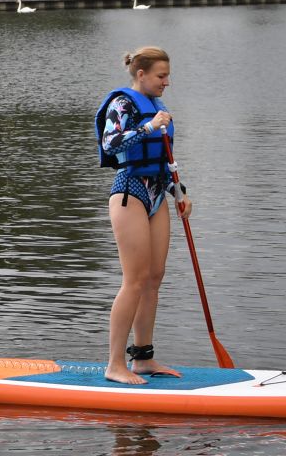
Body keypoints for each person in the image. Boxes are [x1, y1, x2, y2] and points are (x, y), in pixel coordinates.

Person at [94, 45, 193, 386]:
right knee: (134, 280)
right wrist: (149, 127)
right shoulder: (121, 104)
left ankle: (143, 359)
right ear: (141, 74)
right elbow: (111, 143)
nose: (167, 82)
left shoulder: (159, 106)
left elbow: (165, 159)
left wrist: (180, 192)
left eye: (167, 76)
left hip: (157, 193)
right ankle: (114, 364)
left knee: (154, 278)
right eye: (161, 76)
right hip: (129, 192)